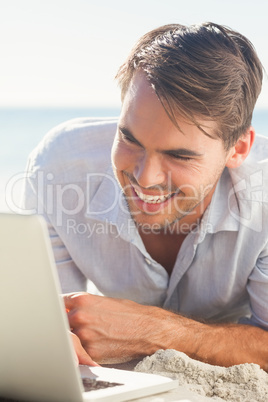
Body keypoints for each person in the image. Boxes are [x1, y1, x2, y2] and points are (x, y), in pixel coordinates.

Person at [21, 22, 268, 370]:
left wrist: (154, 331)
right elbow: (49, 321)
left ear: (238, 149)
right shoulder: (60, 168)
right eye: (130, 139)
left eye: (179, 155)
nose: (145, 178)